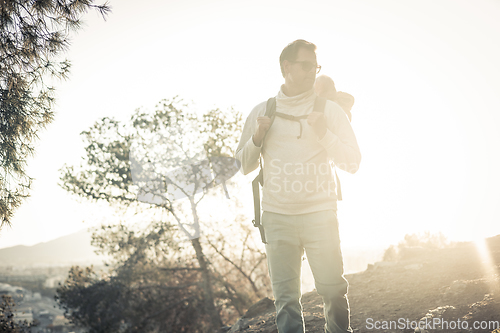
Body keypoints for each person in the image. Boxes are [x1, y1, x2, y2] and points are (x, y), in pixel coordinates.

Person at [235, 39, 361, 333]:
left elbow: (353, 162)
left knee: (332, 292)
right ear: (286, 67)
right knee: (286, 302)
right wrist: (258, 137)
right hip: (277, 218)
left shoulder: (329, 111)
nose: (312, 73)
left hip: (320, 214)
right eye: (306, 66)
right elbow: (242, 165)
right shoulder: (262, 111)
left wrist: (324, 134)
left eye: (315, 67)